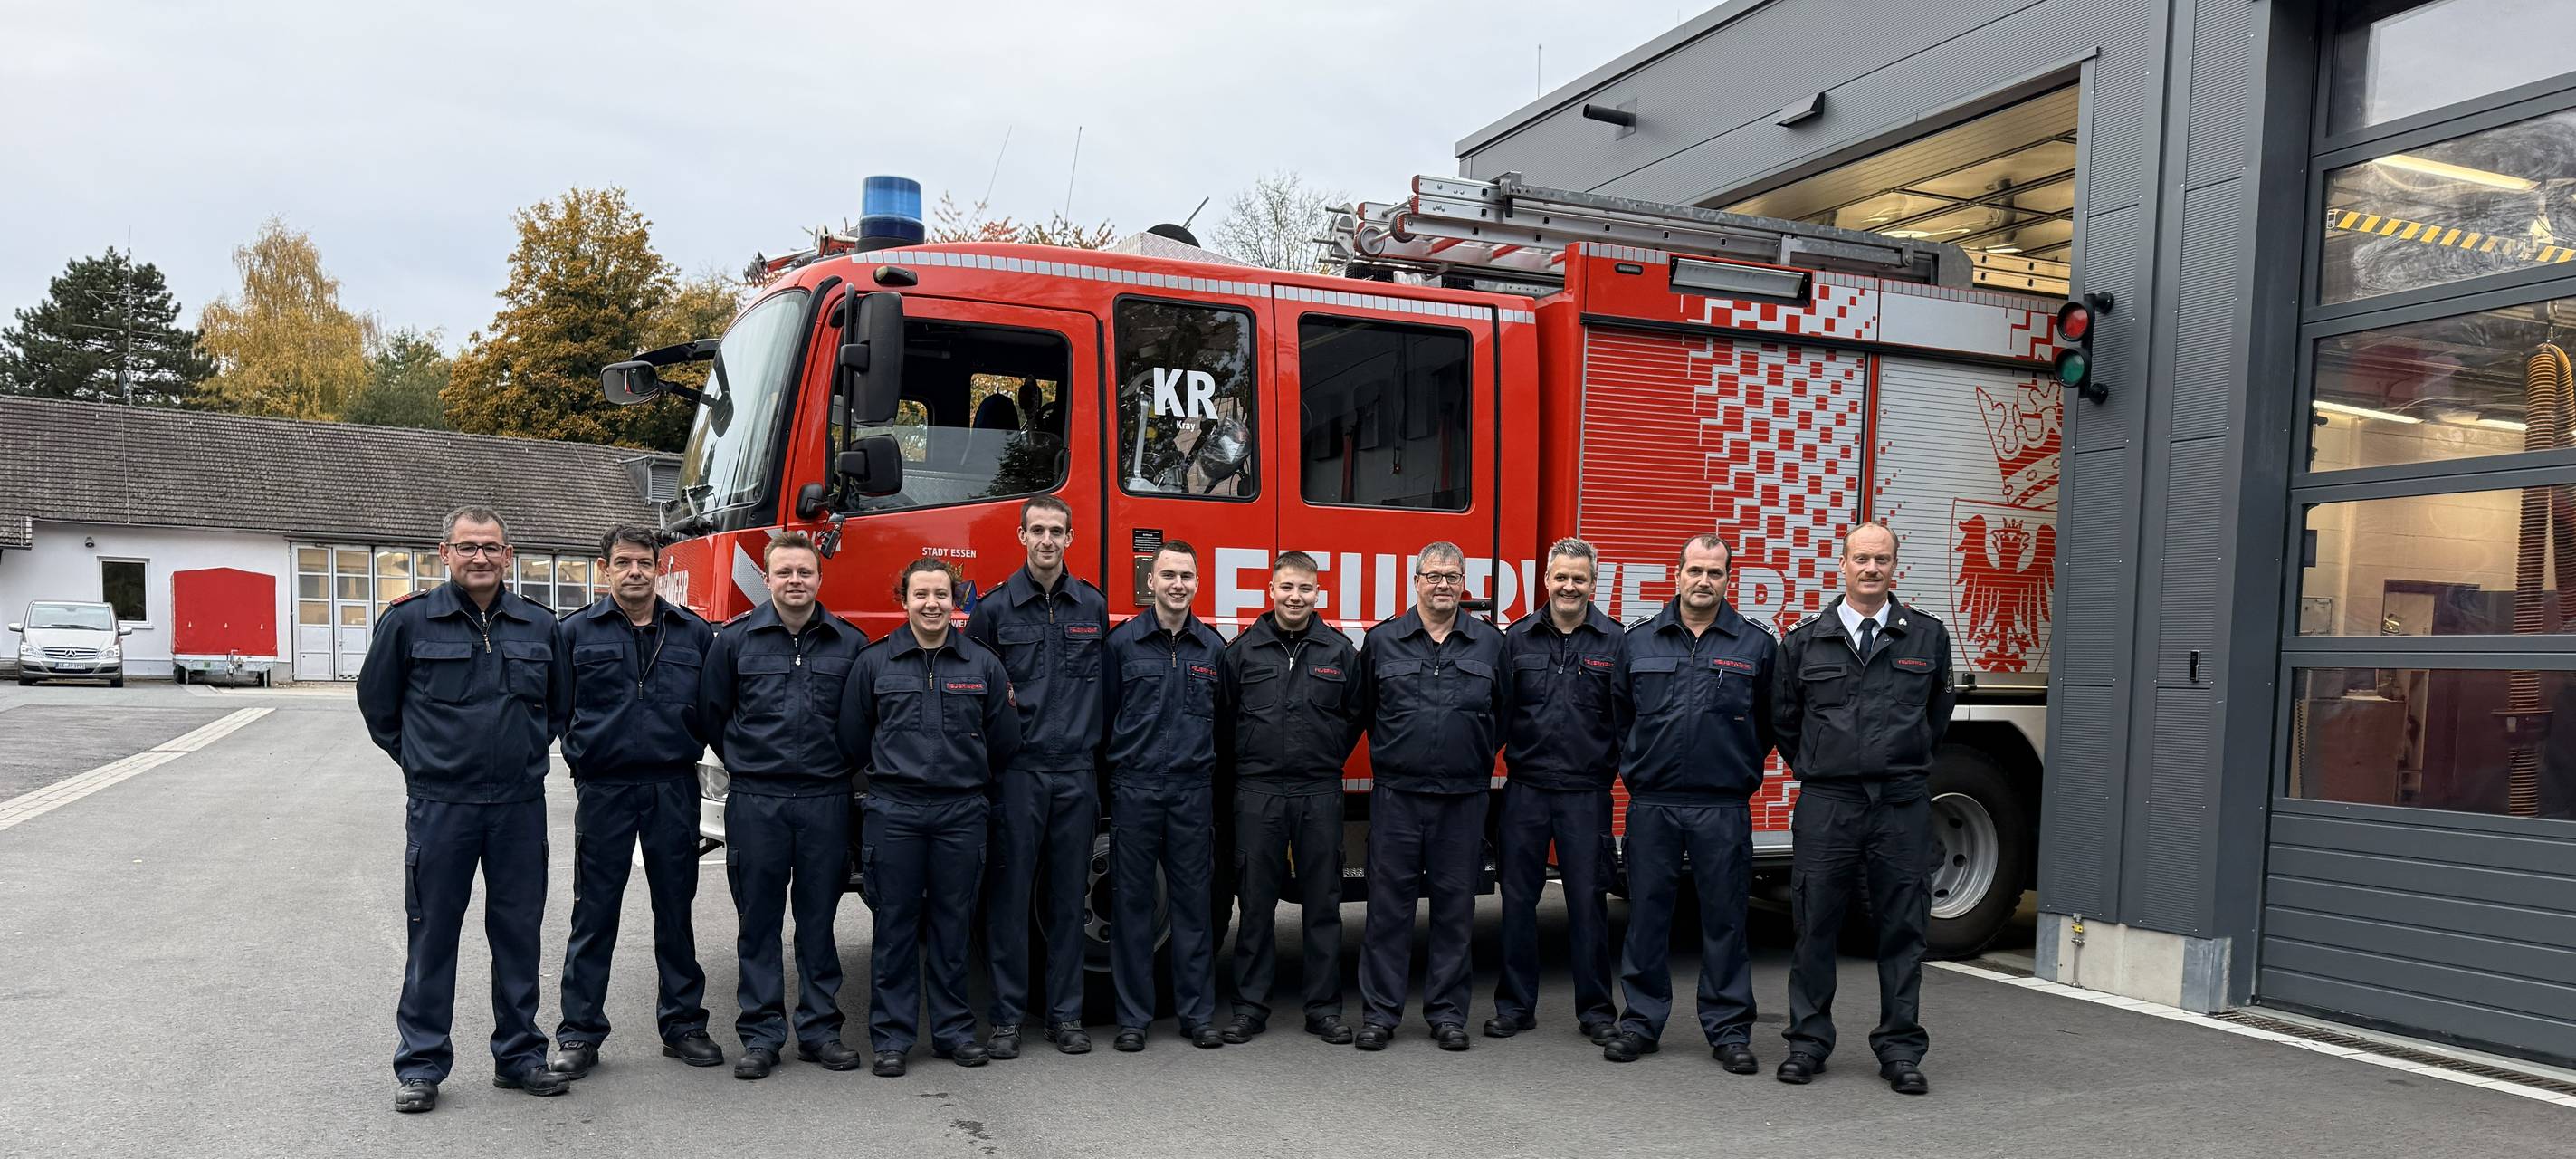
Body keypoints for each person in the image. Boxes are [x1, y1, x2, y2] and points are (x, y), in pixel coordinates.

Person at [357, 506, 574, 1113]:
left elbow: (559, 706)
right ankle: (421, 1065)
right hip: (442, 807)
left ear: (509, 556)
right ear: (444, 553)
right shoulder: (408, 622)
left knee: (518, 934)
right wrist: (424, 764)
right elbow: (378, 707)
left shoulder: (539, 625)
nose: (480, 557)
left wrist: (522, 755)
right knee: (432, 935)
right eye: (467, 547)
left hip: (517, 807)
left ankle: (520, 1056)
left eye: (491, 547)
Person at [1774, 522, 1955, 1096]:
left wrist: (1899, 763)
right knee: (1814, 925)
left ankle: (1900, 1049)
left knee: (1903, 929)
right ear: (1843, 565)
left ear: (1894, 566)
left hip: (1900, 804)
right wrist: (1825, 763)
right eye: (1861, 559)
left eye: (1881, 559)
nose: (1871, 569)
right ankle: (1808, 1043)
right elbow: (1785, 721)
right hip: (1830, 803)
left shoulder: (1927, 637)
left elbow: (1936, 717)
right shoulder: (1805, 641)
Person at [549, 526, 722, 1079]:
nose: (634, 572)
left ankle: (684, 1025)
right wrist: (582, 756)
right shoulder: (575, 633)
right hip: (605, 788)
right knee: (594, 912)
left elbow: (713, 708)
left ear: (658, 568)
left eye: (644, 562)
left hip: (673, 784)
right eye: (623, 562)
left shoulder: (693, 633)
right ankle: (580, 1032)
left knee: (675, 910)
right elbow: (557, 707)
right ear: (605, 569)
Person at [837, 559, 1021, 1077]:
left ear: (956, 600)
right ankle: (892, 1038)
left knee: (952, 925)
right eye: (921, 594)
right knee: (894, 927)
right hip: (894, 811)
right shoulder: (874, 662)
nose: (932, 604)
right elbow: (853, 738)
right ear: (904, 600)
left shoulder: (983, 664)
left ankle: (954, 1032)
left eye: (942, 594)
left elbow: (1004, 739)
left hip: (961, 811)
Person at [697, 532, 869, 1080]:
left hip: (825, 799)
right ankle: (761, 1034)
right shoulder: (734, 642)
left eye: (805, 572)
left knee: (819, 921)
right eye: (785, 572)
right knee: (759, 921)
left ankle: (820, 1032)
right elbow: (713, 714)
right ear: (767, 578)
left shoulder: (850, 643)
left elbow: (863, 721)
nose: (795, 580)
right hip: (759, 800)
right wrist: (750, 764)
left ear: (820, 578)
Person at [1602, 535, 1776, 1075]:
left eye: (1715, 573)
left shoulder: (1755, 644)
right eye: (1695, 570)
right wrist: (1642, 764)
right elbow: (1620, 715)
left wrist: (1734, 766)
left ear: (1728, 580)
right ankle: (1640, 1023)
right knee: (1646, 918)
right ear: (1677, 574)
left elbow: (1769, 722)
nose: (1704, 581)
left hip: (1721, 804)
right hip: (1653, 802)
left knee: (1725, 920)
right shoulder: (1638, 641)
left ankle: (1729, 1030)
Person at [1352, 541, 1512, 1052]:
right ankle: (1380, 1015)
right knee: (1387, 911)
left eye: (1452, 576)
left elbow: (1503, 714)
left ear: (1464, 584)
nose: (1443, 584)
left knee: (1454, 912)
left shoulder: (1490, 643)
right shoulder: (1383, 641)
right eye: (1434, 575)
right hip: (1397, 797)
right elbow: (1364, 710)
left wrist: (1470, 755)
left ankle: (1447, 1015)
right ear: (1415, 581)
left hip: (1463, 799)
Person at [966, 496, 1111, 1058]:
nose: (1047, 540)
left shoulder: (1091, 605)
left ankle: (1065, 1015)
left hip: (1076, 770)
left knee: (1068, 898)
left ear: (1070, 539)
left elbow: (1105, 690)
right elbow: (977, 697)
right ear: (1021, 535)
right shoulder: (994, 610)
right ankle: (1006, 1020)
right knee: (1009, 898)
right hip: (1018, 774)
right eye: (1038, 530)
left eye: (1056, 531)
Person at [1218, 551, 1363, 1045]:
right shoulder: (1242, 652)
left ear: (1317, 593)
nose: (1295, 597)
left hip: (1318, 791)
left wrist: (1325, 755)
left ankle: (1323, 1009)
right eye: (1286, 587)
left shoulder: (1339, 652)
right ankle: (1249, 1008)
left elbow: (1354, 715)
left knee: (1322, 905)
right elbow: (1225, 718)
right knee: (1255, 904)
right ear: (1271, 590)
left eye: (1304, 588)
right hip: (1257, 791)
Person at [1489, 538, 1625, 1046]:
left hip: (1586, 794)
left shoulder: (1616, 642)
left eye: (1579, 578)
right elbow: (1498, 714)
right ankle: (1514, 1006)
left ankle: (1596, 1011)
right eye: (1561, 577)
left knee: (1588, 904)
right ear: (1546, 580)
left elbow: (1626, 720)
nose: (1569, 586)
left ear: (1593, 583)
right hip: (1525, 790)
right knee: (1517, 902)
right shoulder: (1516, 639)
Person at [1100, 541, 1230, 1051]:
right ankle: (1133, 1019)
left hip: (1192, 790)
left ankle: (1197, 1015)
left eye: (1187, 576)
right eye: (1169, 575)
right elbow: (1106, 715)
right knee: (1132, 905)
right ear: (1150, 581)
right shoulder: (1121, 645)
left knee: (1194, 906)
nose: (1178, 585)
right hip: (1135, 787)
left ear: (1198, 584)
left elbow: (1224, 724)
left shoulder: (1212, 648)